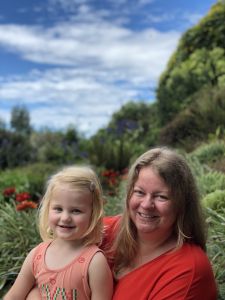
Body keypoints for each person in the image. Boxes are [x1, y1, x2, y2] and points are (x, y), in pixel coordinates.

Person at [103, 147, 218, 299]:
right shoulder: (107, 230)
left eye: (161, 197)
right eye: (139, 192)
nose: (146, 204)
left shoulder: (188, 270)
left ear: (181, 204)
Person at [4, 165, 113, 300]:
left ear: (93, 214)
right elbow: (14, 296)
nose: (65, 218)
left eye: (76, 211)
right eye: (58, 209)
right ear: (48, 208)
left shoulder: (94, 262)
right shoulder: (37, 255)